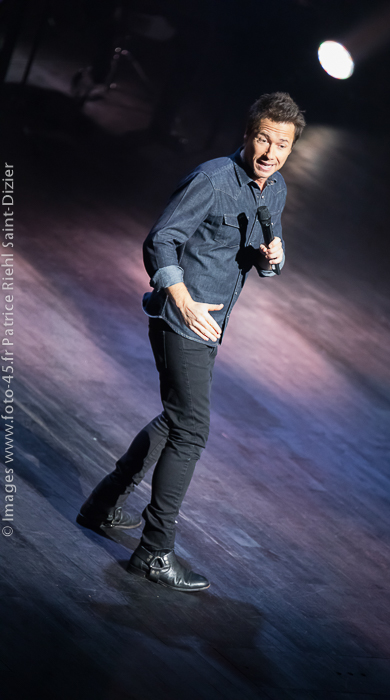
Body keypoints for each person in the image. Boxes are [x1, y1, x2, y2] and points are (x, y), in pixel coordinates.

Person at [77, 92, 306, 592]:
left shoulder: (276, 189)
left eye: (282, 145)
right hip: (181, 319)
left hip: (211, 325)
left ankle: (102, 505)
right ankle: (154, 551)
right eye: (263, 139)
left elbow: (258, 257)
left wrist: (272, 258)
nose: (270, 152)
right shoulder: (213, 180)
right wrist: (181, 299)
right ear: (247, 135)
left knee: (176, 419)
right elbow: (161, 239)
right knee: (191, 430)